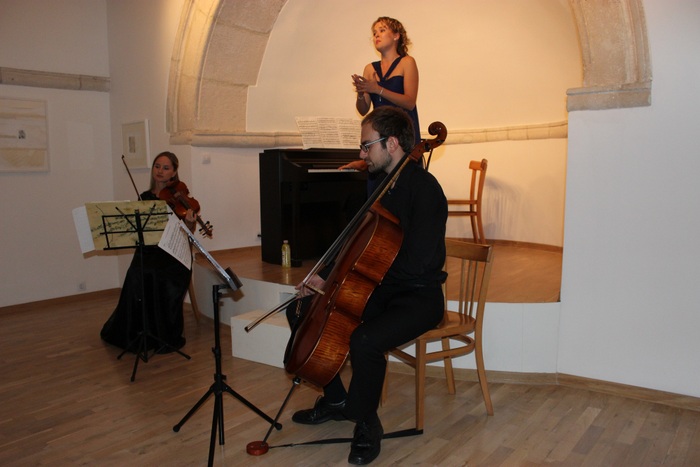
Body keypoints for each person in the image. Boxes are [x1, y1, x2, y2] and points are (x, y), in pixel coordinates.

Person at [287, 107, 447, 465]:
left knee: (365, 340)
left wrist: (353, 279)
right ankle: (336, 399)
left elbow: (419, 263)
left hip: (418, 296)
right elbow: (356, 244)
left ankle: (366, 422)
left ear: (392, 144)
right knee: (302, 311)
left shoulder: (425, 191)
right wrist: (327, 276)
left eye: (366, 145)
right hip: (383, 288)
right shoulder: (384, 188)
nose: (362, 154)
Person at [100, 151, 197, 353]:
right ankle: (138, 332)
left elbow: (187, 233)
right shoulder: (144, 198)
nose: (160, 171)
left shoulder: (181, 196)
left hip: (173, 253)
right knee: (137, 273)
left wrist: (189, 222)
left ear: (174, 172)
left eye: (166, 168)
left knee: (159, 275)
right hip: (149, 250)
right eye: (157, 166)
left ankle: (164, 334)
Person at [346, 17, 421, 194]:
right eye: (374, 33)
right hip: (379, 137)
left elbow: (409, 102)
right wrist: (361, 92)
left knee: (403, 191)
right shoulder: (369, 68)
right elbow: (363, 110)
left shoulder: (407, 62)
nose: (376, 35)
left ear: (396, 35)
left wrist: (377, 89)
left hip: (402, 134)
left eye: (382, 30)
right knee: (377, 192)